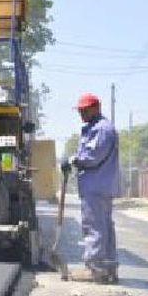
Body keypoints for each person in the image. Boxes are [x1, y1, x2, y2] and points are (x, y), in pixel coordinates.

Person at [61, 93, 121, 284]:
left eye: (85, 110)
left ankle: (95, 268)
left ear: (96, 108)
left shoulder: (102, 129)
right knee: (104, 227)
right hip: (99, 185)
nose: (81, 113)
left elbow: (92, 157)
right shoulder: (95, 128)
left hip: (96, 186)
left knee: (94, 227)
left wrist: (72, 160)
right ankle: (108, 269)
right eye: (80, 110)